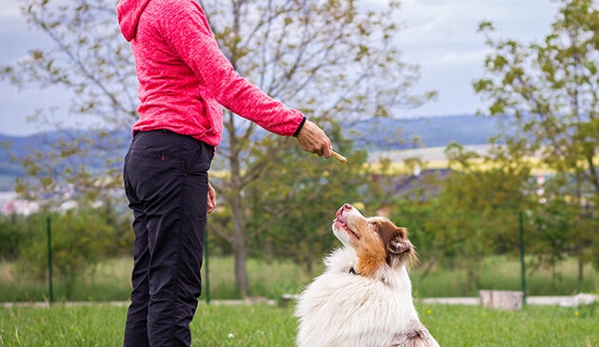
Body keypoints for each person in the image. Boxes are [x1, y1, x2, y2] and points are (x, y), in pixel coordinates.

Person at [116, 0, 333, 346]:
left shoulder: (147, 9)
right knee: (173, 290)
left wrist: (194, 171)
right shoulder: (173, 7)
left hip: (152, 155)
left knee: (149, 289)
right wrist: (296, 125)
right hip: (170, 156)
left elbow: (176, 92)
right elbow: (223, 82)